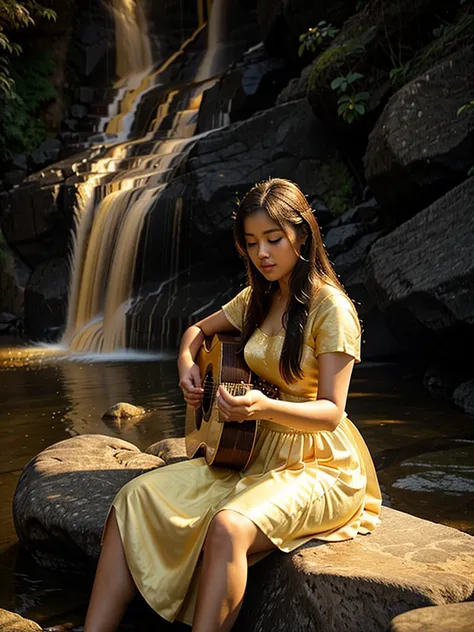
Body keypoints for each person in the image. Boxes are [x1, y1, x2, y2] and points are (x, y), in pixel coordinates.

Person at [83, 178, 382, 632]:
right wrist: (186, 364)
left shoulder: (331, 309)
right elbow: (195, 332)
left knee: (227, 527)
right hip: (250, 449)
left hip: (320, 462)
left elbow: (331, 412)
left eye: (274, 239)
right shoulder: (259, 296)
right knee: (133, 497)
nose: (263, 254)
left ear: (302, 234)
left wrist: (262, 408)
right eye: (252, 243)